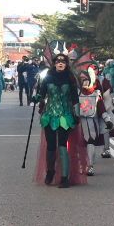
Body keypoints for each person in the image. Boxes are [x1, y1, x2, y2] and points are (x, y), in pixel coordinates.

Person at [34, 52, 83, 188]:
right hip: (50, 115)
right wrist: (36, 98)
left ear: (66, 64)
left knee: (62, 144)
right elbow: (42, 94)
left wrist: (77, 114)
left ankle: (64, 178)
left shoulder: (70, 78)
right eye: (58, 62)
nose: (60, 63)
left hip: (65, 116)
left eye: (63, 62)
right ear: (54, 64)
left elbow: (75, 98)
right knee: (51, 145)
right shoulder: (48, 78)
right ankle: (50, 172)